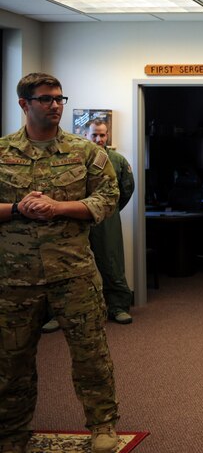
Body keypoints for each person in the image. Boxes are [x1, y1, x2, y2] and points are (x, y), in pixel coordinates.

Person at [0, 73, 120, 453]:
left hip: (74, 275)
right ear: (24, 104)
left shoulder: (85, 152)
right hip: (14, 278)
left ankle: (103, 425)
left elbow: (108, 197)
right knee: (11, 361)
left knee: (91, 355)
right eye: (45, 99)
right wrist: (18, 208)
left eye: (59, 99)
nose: (55, 106)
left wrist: (58, 208)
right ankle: (12, 431)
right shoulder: (2, 152)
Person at [85, 119, 135, 324]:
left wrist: (110, 211)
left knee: (111, 261)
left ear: (107, 136)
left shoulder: (117, 160)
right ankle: (60, 313)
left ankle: (118, 306)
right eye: (94, 134)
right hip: (76, 217)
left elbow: (127, 189)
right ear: (86, 135)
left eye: (102, 135)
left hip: (106, 219)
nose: (98, 139)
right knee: (68, 264)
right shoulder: (74, 158)